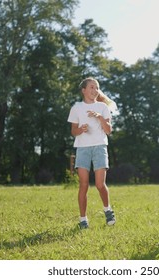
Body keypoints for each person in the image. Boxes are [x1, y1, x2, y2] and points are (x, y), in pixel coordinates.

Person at [67, 77, 116, 229]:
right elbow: (73, 132)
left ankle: (108, 210)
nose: (95, 90)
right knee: (83, 185)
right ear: (84, 90)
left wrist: (99, 117)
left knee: (100, 184)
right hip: (82, 148)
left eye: (97, 88)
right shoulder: (76, 108)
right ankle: (83, 220)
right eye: (92, 87)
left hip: (100, 146)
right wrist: (80, 129)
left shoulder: (103, 107)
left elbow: (108, 130)